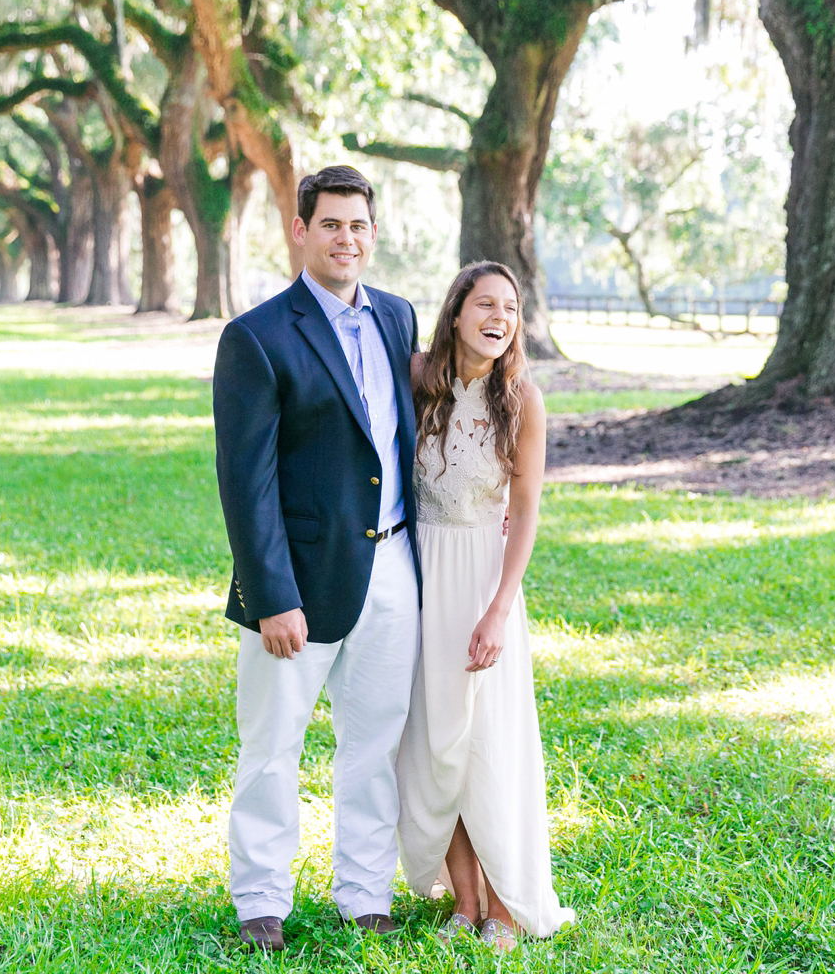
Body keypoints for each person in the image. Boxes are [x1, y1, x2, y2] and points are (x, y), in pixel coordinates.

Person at [212, 165, 421, 953]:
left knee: (375, 741)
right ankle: (261, 900)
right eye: (330, 224)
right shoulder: (257, 337)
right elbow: (246, 480)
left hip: (396, 565)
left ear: (374, 233)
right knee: (272, 746)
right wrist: (271, 595)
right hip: (296, 580)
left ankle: (366, 894)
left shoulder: (399, 318)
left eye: (359, 225)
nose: (346, 238)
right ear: (300, 231)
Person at [395, 260, 575, 952]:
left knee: (490, 744)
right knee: (438, 745)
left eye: (511, 307)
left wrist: (499, 609)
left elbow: (526, 514)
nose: (499, 317)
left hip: (483, 582)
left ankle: (505, 905)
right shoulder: (419, 382)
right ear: (457, 313)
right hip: (421, 578)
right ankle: (464, 902)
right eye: (486, 305)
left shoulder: (523, 399)